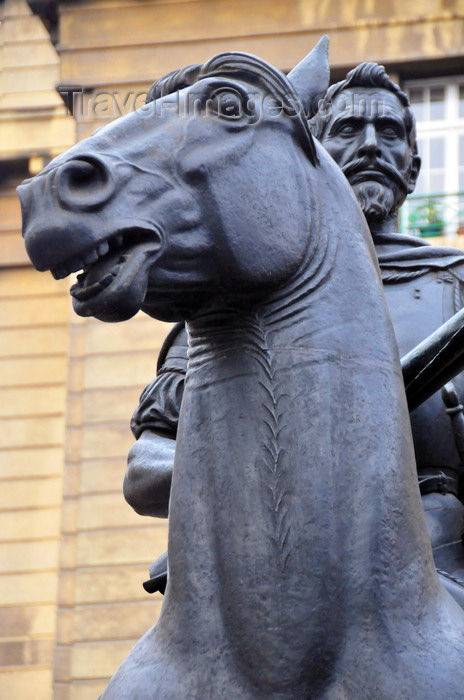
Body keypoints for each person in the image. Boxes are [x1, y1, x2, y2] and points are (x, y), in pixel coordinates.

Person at [125, 62, 464, 597]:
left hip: (435, 548)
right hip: (260, 563)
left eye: (390, 132)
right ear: (313, 154)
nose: (371, 146)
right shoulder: (235, 293)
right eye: (349, 130)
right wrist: (259, 477)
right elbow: (145, 470)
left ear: (414, 165)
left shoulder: (458, 283)